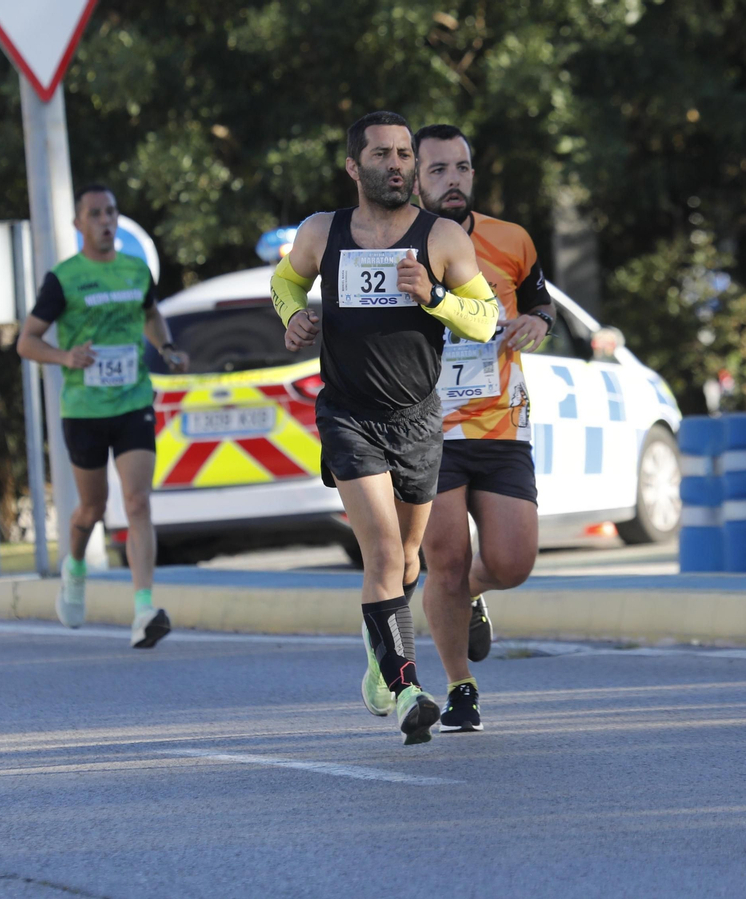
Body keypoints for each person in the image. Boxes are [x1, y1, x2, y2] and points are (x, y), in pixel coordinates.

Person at [270, 111, 498, 745]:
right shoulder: (324, 232)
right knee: (381, 555)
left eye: (404, 154)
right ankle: (406, 688)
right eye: (383, 155)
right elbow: (286, 280)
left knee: (404, 566)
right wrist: (292, 315)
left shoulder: (443, 237)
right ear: (354, 166)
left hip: (418, 420)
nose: (397, 164)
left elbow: (483, 320)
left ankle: (379, 651)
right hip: (349, 416)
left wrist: (434, 296)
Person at [411, 123, 557, 734]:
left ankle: (469, 594)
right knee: (444, 559)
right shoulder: (396, 246)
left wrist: (538, 324)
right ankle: (459, 686)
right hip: (428, 429)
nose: (453, 180)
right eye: (438, 170)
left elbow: (540, 302)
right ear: (414, 178)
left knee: (513, 562)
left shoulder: (511, 239)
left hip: (502, 424)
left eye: (462, 168)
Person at [15, 184, 189, 649]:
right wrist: (65, 357)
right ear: (79, 224)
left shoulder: (135, 269)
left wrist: (166, 347)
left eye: (110, 212)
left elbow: (151, 315)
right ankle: (73, 570)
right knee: (92, 507)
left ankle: (144, 609)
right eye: (95, 214)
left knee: (136, 502)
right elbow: (26, 341)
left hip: (132, 401)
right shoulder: (64, 278)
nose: (105, 221)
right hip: (85, 409)